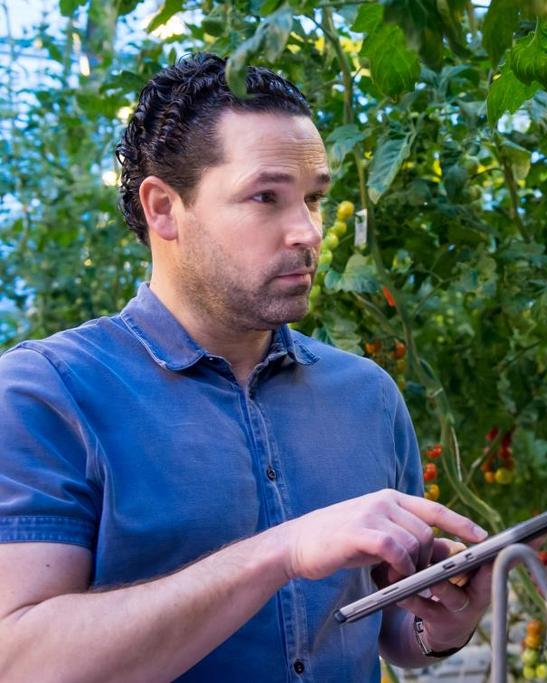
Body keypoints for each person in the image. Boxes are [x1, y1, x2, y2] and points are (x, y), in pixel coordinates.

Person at [0, 52, 492, 682]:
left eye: (314, 198)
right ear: (163, 209)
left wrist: (441, 623)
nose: (308, 232)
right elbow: (21, 662)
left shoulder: (365, 395)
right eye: (266, 197)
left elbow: (389, 630)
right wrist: (282, 551)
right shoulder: (48, 393)